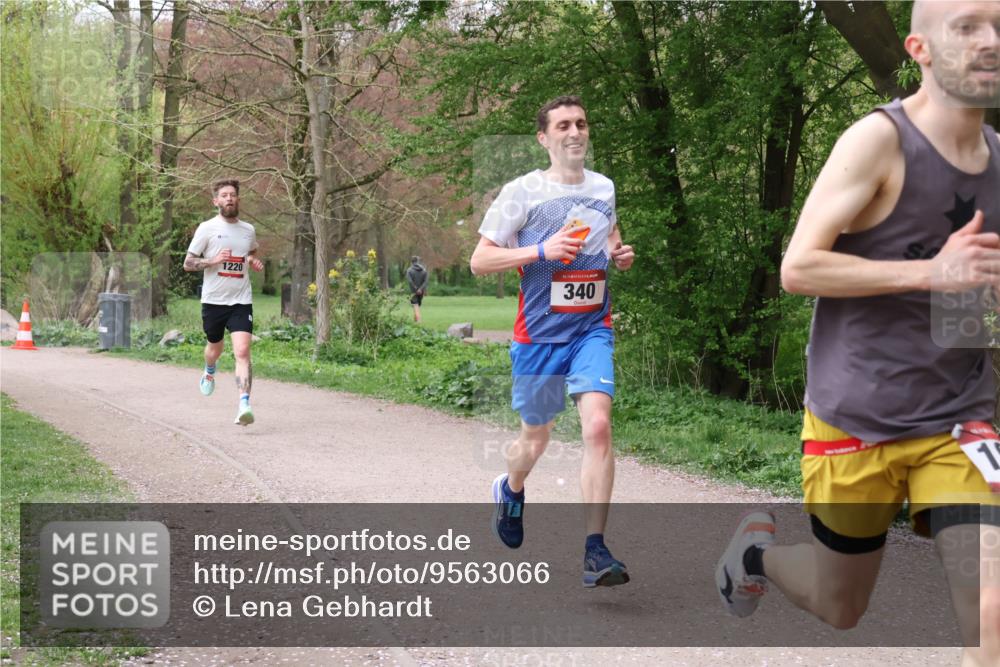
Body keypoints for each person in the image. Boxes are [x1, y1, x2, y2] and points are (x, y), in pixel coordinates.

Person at [715, 2, 1000, 664]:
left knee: (990, 609)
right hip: (857, 417)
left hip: (958, 420)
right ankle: (756, 555)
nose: (989, 41)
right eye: (967, 27)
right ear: (919, 49)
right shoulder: (879, 140)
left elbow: (971, 293)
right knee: (839, 604)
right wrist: (931, 272)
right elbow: (798, 267)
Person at [470, 95, 635, 588]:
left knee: (598, 426)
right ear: (544, 138)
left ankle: (595, 549)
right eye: (563, 125)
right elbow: (480, 260)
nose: (575, 131)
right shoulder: (521, 191)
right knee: (535, 439)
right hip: (539, 335)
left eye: (581, 123)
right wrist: (541, 250)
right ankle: (511, 488)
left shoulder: (604, 187)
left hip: (591, 328)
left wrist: (618, 252)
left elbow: (608, 232)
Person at [183, 179, 264, 426]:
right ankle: (209, 370)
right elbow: (188, 263)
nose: (229, 198)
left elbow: (251, 251)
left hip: (241, 300)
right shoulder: (207, 228)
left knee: (242, 351)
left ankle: (244, 404)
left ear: (238, 199)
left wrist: (251, 260)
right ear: (216, 201)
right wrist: (212, 260)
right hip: (214, 301)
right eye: (224, 195)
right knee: (214, 349)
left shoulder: (248, 230)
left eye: (233, 194)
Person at [406, 256, 429, 323]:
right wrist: (421, 289)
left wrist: (416, 289)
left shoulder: (409, 270)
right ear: (418, 261)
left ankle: (418, 320)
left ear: (411, 262)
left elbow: (410, 281)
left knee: (415, 305)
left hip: (413, 291)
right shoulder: (424, 270)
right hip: (421, 291)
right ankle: (416, 320)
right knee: (417, 305)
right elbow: (426, 281)